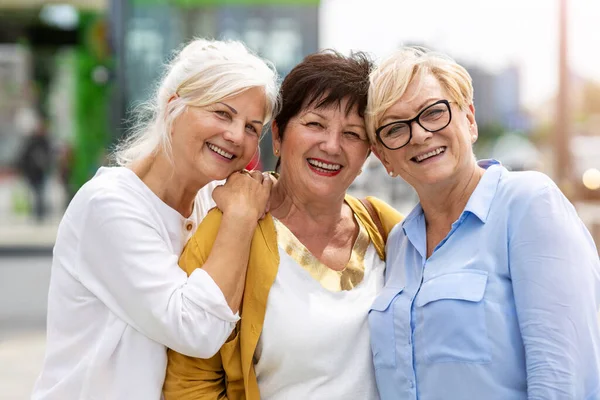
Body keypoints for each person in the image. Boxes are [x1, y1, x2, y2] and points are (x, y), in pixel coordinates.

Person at [32, 38, 279, 400]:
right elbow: (196, 331)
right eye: (222, 113)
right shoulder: (109, 205)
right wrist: (240, 217)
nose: (235, 135)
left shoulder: (209, 204)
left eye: (252, 127)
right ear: (173, 106)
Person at [163, 50, 404, 400]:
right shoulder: (229, 228)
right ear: (277, 134)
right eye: (315, 124)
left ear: (368, 153)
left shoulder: (384, 226)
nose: (331, 145)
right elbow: (189, 382)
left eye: (352, 133)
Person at [366, 46, 600, 400]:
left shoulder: (527, 205)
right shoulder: (398, 243)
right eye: (396, 128)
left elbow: (563, 380)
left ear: (470, 120)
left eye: (433, 113)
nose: (419, 134)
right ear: (384, 157)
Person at [17, 115, 52, 222]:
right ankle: (37, 213)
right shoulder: (31, 142)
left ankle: (40, 213)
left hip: (41, 173)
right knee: (36, 193)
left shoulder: (45, 141)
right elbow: (24, 157)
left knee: (40, 193)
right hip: (32, 173)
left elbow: (49, 156)